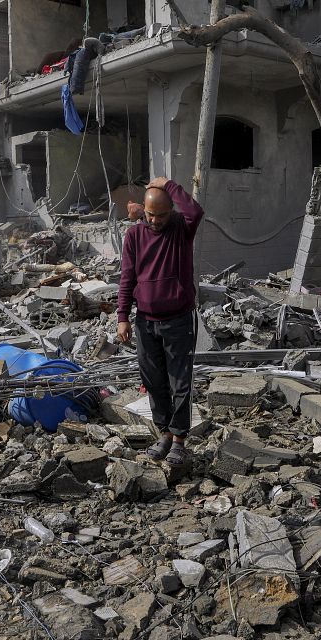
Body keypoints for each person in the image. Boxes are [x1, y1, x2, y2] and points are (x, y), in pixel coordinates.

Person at [116, 177, 204, 466]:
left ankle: (179, 440)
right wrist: (122, 316)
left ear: (171, 211)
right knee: (154, 381)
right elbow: (127, 277)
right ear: (144, 210)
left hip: (178, 319)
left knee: (180, 382)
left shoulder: (181, 228)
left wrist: (169, 184)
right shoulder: (134, 235)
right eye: (151, 215)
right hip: (145, 321)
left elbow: (195, 211)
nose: (155, 221)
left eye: (161, 215)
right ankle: (164, 433)